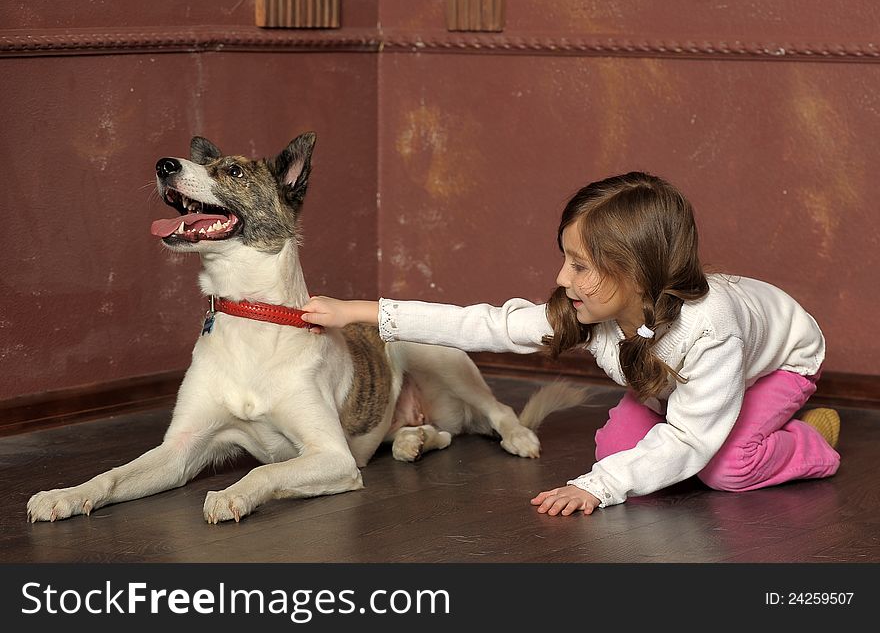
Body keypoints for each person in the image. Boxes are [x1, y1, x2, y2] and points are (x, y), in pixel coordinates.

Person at [300, 171, 840, 516]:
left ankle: (812, 442)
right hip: (685, 382)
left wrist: (597, 488)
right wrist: (361, 313)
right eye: (565, 259)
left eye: (579, 265)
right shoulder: (598, 310)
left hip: (774, 366)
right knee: (617, 454)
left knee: (723, 467)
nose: (561, 278)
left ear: (634, 273)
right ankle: (748, 435)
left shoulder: (711, 329)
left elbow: (692, 438)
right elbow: (484, 325)